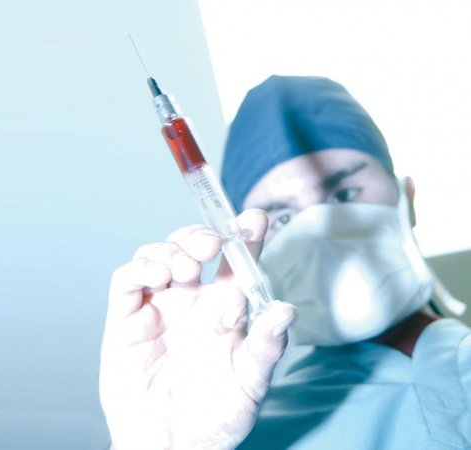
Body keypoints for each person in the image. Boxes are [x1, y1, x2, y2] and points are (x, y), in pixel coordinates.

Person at [99, 76, 471, 449]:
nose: (320, 227)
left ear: (407, 198)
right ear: (251, 249)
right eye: (283, 218)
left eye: (344, 194)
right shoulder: (238, 430)